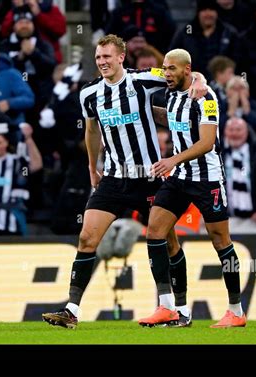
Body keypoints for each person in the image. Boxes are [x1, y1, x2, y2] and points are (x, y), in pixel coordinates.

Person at [41, 34, 208, 329]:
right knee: (87, 238)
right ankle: (71, 311)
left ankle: (180, 309)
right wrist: (93, 166)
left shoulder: (143, 79)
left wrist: (199, 80)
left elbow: (179, 70)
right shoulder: (89, 93)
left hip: (149, 178)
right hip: (114, 179)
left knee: (169, 242)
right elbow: (91, 130)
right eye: (98, 57)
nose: (102, 62)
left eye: (107, 56)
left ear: (121, 57)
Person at [137, 49, 246, 328]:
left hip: (207, 179)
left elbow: (207, 142)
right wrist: (142, 109)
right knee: (155, 232)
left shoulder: (206, 97)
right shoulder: (171, 91)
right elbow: (168, 116)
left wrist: (172, 159)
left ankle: (236, 310)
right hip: (180, 177)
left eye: (172, 69)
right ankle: (173, 309)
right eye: (164, 68)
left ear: (187, 70)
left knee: (220, 241)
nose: (166, 73)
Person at [222, 117, 256, 223]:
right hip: (226, 219)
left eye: (238, 130)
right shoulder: (217, 154)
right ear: (225, 132)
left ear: (247, 132)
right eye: (231, 130)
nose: (234, 134)